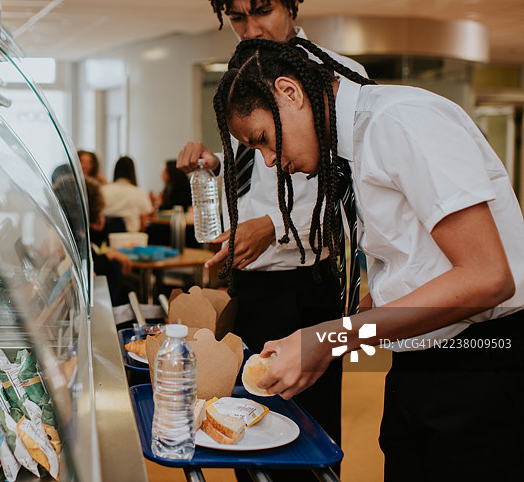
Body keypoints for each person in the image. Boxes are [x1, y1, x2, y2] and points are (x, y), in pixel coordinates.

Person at [215, 37, 524, 481]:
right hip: (417, 368)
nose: (269, 161)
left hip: (480, 365)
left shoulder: (397, 120)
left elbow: (489, 276)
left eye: (263, 140)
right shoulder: (353, 146)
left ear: (290, 92)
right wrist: (374, 304)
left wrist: (329, 340)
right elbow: (419, 258)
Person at [175, 0, 367, 462]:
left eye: (261, 10)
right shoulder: (244, 76)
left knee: (304, 436)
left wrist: (275, 226)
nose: (251, 28)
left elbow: (347, 191)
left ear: (291, 4)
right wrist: (217, 167)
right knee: (248, 424)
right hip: (253, 287)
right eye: (237, 18)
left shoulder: (334, 75)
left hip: (306, 289)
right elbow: (261, 178)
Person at [84, 175, 137, 306]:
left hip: (103, 293)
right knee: (132, 289)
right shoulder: (79, 234)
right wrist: (109, 255)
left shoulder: (84, 229)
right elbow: (88, 268)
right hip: (100, 299)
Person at [101, 156, 154, 232]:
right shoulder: (139, 192)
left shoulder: (103, 191)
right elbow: (143, 224)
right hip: (133, 238)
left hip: (106, 239)